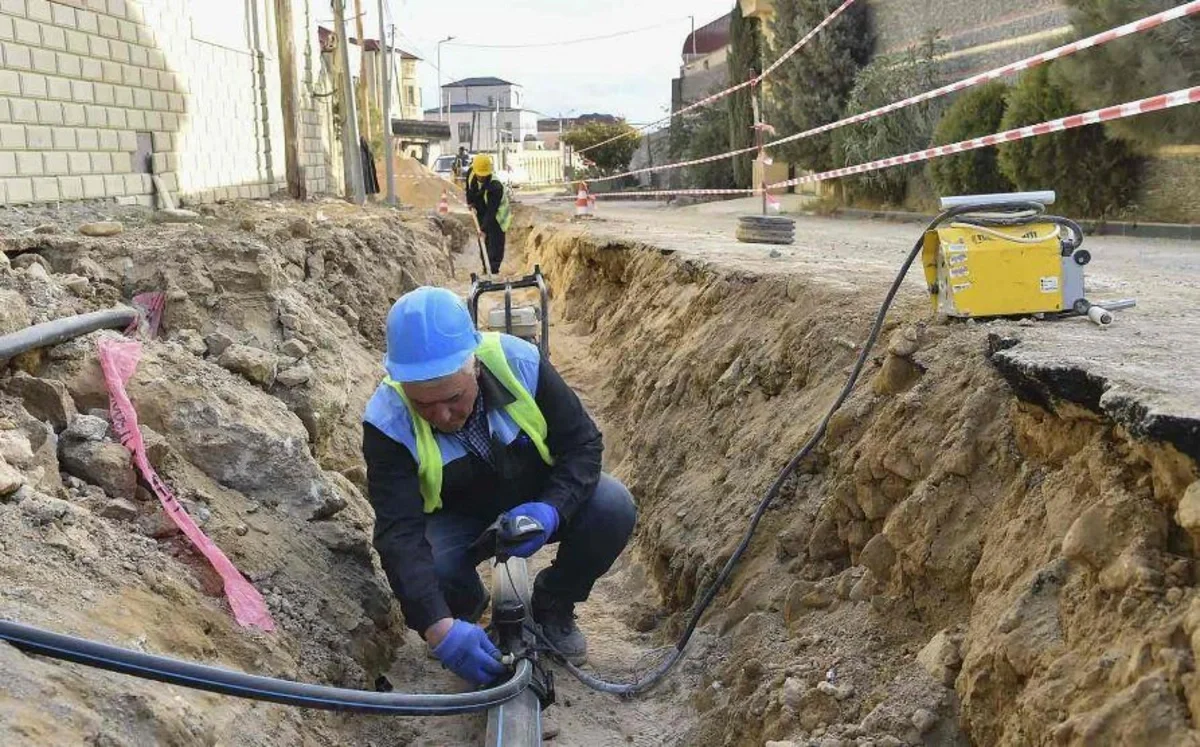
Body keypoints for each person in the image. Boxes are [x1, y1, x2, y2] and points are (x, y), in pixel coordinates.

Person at [362, 287, 636, 686]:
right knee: (432, 566)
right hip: (456, 516)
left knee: (612, 507)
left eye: (453, 398)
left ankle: (554, 605)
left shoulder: (520, 363)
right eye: (424, 405)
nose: (442, 414)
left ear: (473, 365)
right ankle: (465, 608)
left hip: (534, 494)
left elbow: (583, 445)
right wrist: (439, 628)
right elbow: (398, 533)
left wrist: (551, 509)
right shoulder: (386, 421)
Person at [464, 154, 510, 275]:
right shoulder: (471, 173)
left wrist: (483, 229)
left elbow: (491, 211)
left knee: (495, 241)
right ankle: (486, 268)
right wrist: (470, 202)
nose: (482, 177)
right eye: (480, 174)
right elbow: (468, 189)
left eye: (484, 175)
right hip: (482, 207)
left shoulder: (495, 186)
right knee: (483, 241)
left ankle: (493, 271)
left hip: (498, 214)